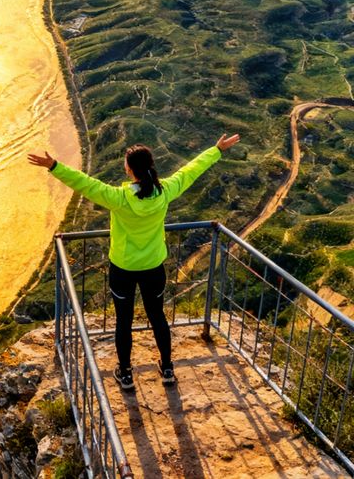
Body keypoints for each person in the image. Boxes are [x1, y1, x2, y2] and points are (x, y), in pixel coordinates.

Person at [28, 133, 240, 390]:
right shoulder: (165, 191)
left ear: (129, 169)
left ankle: (126, 374)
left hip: (123, 268)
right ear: (150, 166)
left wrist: (54, 167)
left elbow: (85, 184)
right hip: (153, 267)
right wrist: (216, 150)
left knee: (123, 321)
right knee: (158, 317)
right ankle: (168, 368)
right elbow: (190, 171)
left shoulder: (119, 197)